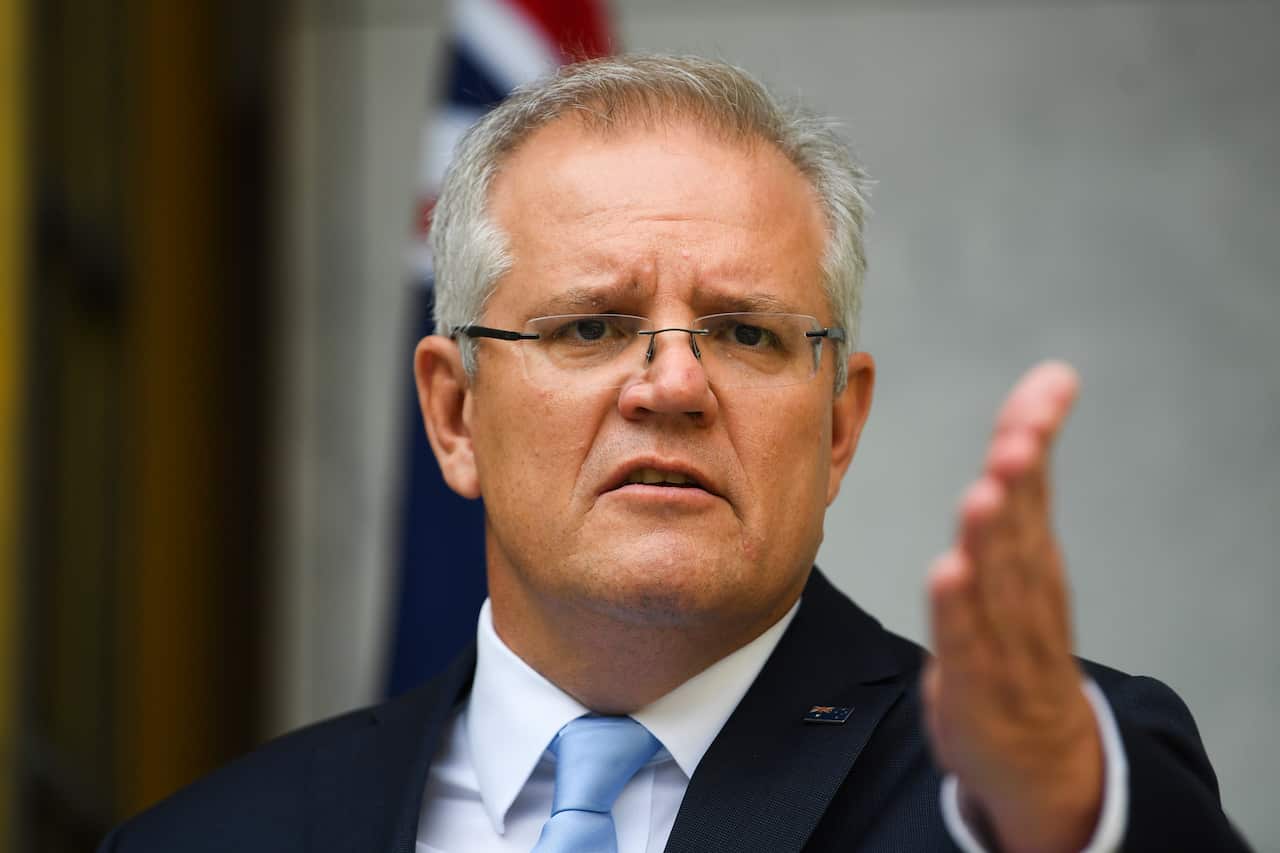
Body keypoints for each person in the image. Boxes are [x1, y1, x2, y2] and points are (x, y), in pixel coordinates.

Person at [99, 55, 1248, 853]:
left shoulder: (1037, 792)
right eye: (590, 325)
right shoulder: (209, 836)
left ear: (837, 422)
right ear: (454, 413)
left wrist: (1064, 818)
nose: (673, 385)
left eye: (745, 332)